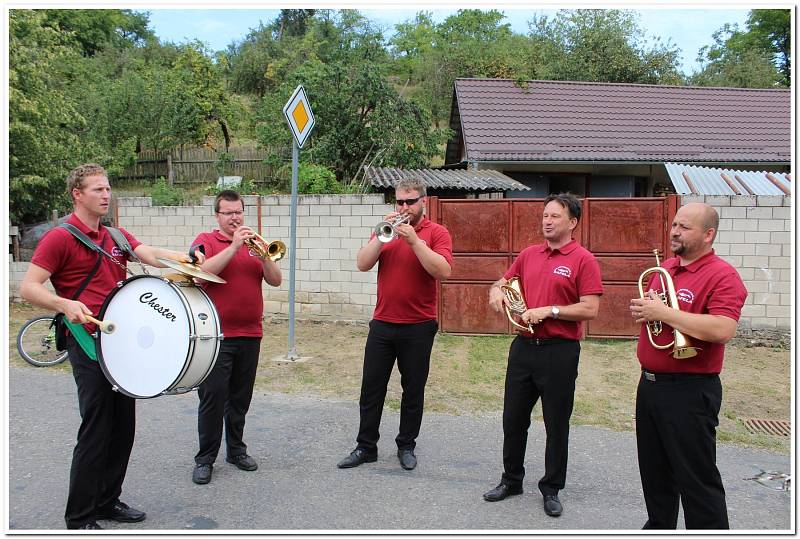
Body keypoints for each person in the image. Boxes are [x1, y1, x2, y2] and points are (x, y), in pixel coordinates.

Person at [20, 163, 204, 529]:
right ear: (77, 194)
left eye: (107, 189)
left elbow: (147, 252)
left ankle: (107, 500)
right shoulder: (60, 238)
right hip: (87, 342)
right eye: (98, 189)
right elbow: (29, 287)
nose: (106, 195)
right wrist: (65, 304)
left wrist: (182, 258)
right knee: (97, 427)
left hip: (120, 342)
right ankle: (80, 516)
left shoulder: (115, 237)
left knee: (123, 427)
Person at [483, 193, 602, 518]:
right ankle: (511, 480)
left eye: (555, 216)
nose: (547, 221)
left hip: (559, 352)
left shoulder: (583, 259)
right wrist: (496, 290)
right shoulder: (528, 254)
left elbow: (590, 308)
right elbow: (505, 281)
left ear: (572, 222)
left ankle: (551, 489)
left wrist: (549, 311)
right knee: (513, 419)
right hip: (523, 349)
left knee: (556, 424)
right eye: (545, 215)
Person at [629, 202, 747, 529]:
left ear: (708, 235)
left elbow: (723, 329)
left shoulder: (722, 275)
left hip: (690, 391)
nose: (675, 232)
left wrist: (663, 314)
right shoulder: (667, 268)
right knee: (655, 475)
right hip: (651, 386)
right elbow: (658, 319)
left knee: (696, 480)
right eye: (674, 225)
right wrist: (645, 311)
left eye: (685, 227)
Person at [337, 178, 453, 471]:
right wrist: (380, 236)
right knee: (371, 389)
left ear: (423, 202)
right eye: (399, 201)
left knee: (412, 390)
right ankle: (366, 447)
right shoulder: (384, 231)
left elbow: (443, 271)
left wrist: (415, 241)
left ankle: (406, 446)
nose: (404, 207)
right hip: (382, 323)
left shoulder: (437, 233)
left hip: (419, 325)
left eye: (410, 201)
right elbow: (362, 264)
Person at [190, 190, 282, 485]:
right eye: (228, 213)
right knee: (213, 399)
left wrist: (264, 256)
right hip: (216, 336)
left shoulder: (255, 243)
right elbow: (200, 275)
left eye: (238, 212)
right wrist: (233, 246)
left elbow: (276, 280)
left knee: (240, 399)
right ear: (217, 216)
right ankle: (205, 458)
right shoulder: (206, 240)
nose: (235, 217)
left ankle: (236, 450)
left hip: (250, 334)